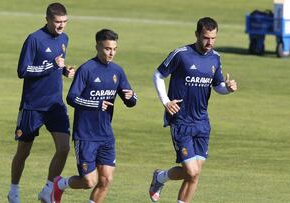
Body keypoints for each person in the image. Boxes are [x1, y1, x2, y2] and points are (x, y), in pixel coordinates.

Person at [149, 17, 237, 203]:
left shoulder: (215, 57)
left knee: (194, 175)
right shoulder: (181, 54)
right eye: (206, 37)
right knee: (191, 170)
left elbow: (218, 86)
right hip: (181, 120)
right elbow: (158, 75)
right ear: (197, 34)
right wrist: (165, 101)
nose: (209, 42)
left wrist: (227, 89)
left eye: (213, 38)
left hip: (202, 122)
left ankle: (160, 177)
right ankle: (160, 178)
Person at [51, 29, 137, 203]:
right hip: (85, 135)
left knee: (105, 180)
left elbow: (130, 99)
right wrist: (96, 104)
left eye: (114, 49)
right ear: (97, 47)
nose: (111, 52)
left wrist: (132, 97)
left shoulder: (117, 71)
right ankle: (60, 185)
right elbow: (71, 98)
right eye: (107, 48)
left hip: (106, 135)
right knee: (89, 182)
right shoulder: (86, 70)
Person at [7, 3, 75, 203]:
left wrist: (64, 71)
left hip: (55, 105)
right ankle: (14, 190)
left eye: (65, 22)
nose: (61, 26)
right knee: (23, 152)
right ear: (47, 20)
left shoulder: (64, 38)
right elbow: (23, 71)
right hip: (32, 106)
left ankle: (47, 190)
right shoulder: (34, 39)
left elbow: (57, 64)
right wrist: (51, 66)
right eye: (58, 22)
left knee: (64, 148)